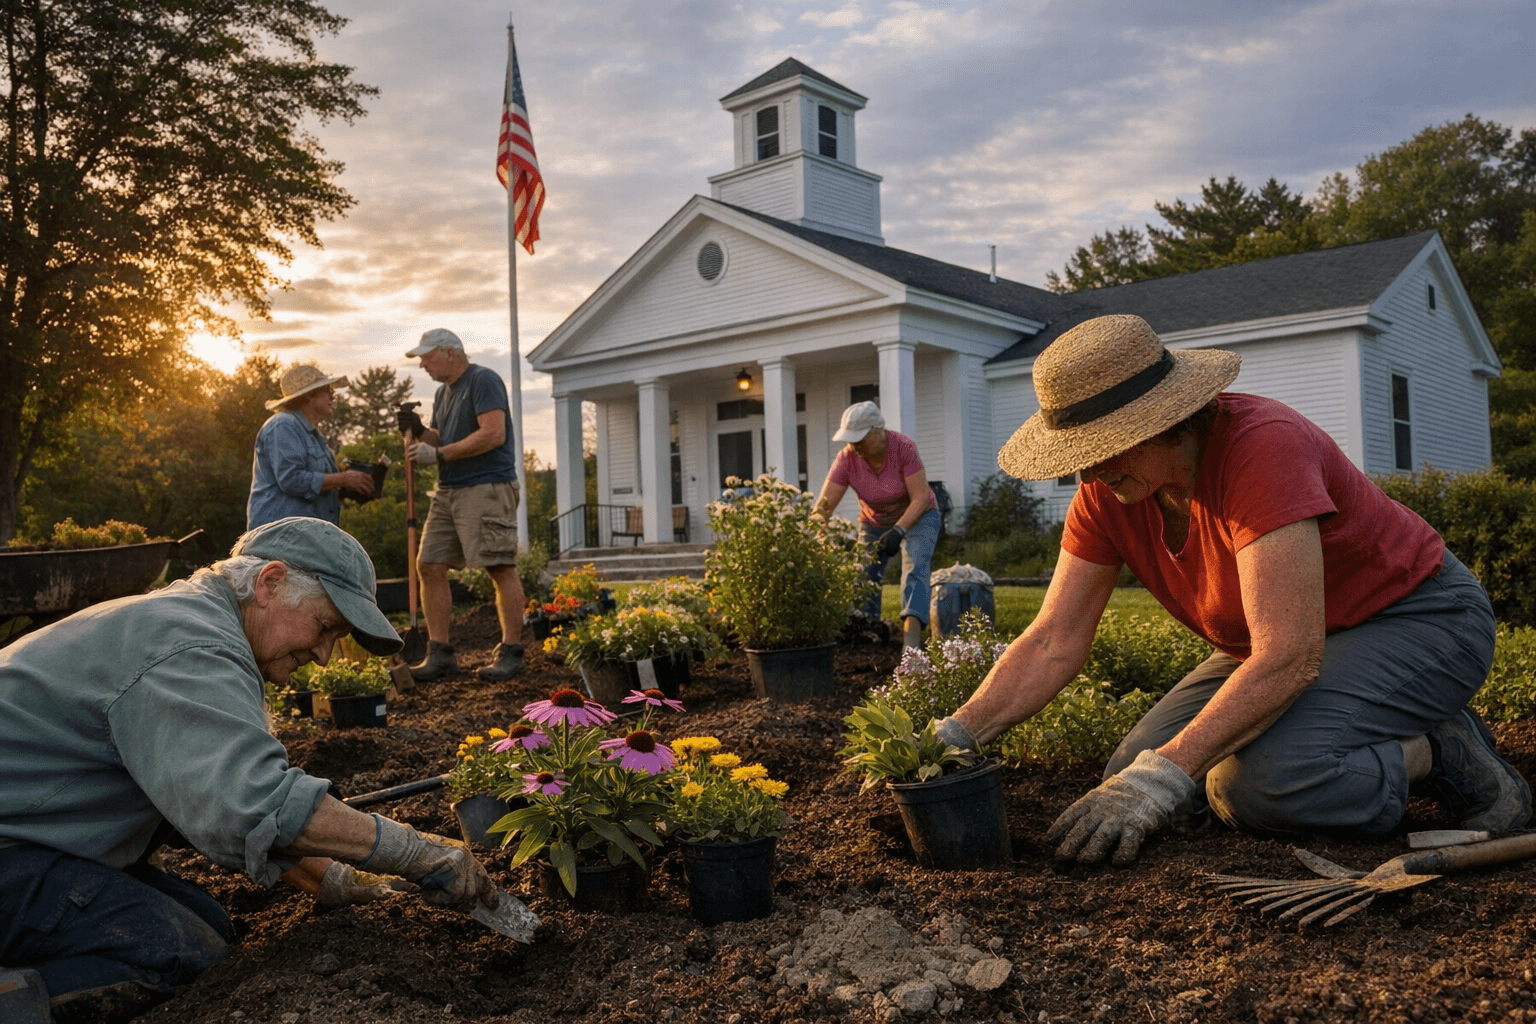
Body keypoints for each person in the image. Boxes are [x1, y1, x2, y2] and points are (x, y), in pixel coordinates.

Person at [933, 314, 1532, 868]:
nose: (1087, 472)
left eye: (1101, 448)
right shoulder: (1110, 493)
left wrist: (1168, 774)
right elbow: (1053, 642)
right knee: (1130, 773)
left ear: (1166, 420)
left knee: (1260, 783)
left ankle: (1436, 748)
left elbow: (1289, 656)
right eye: (1078, 456)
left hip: (1416, 619)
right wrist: (951, 739)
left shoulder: (1263, 448)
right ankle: (1357, 728)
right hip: (1283, 638)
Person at [0, 517, 499, 1023]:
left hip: (33, 834)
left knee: (209, 924)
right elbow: (256, 803)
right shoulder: (191, 647)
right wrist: (414, 851)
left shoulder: (195, 619)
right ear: (270, 583)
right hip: (13, 847)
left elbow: (217, 796)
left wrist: (336, 881)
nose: (325, 658)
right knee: (182, 953)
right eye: (326, 627)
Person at [396, 328, 526, 682]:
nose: (422, 364)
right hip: (449, 489)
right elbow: (442, 437)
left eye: (427, 356)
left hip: (485, 486)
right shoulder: (443, 392)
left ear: (450, 352)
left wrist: (436, 453)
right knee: (429, 564)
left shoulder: (483, 380)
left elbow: (492, 433)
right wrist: (421, 430)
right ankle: (440, 654)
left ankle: (511, 651)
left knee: (498, 566)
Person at [811, 401, 942, 648]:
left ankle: (911, 640)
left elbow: (921, 498)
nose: (855, 444)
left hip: (920, 515)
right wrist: (811, 536)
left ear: (877, 431)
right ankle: (869, 632)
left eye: (860, 438)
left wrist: (899, 530)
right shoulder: (847, 458)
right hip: (873, 522)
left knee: (915, 564)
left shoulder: (903, 448)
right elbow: (823, 507)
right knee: (864, 574)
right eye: (851, 439)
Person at [247, 364, 375, 529]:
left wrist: (352, 485)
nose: (333, 394)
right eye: (327, 389)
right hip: (279, 538)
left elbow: (317, 486)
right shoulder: (282, 424)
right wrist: (343, 479)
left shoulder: (315, 436)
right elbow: (291, 480)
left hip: (303, 537)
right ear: (309, 395)